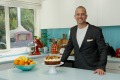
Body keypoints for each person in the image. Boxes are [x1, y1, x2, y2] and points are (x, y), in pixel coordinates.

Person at [61, 6, 107, 75]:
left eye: (82, 14)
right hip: (78, 69)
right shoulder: (72, 30)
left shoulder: (96, 30)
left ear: (86, 16)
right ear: (75, 16)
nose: (80, 16)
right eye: (78, 14)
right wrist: (60, 62)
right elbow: (68, 48)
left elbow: (103, 50)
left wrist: (101, 67)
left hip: (94, 70)